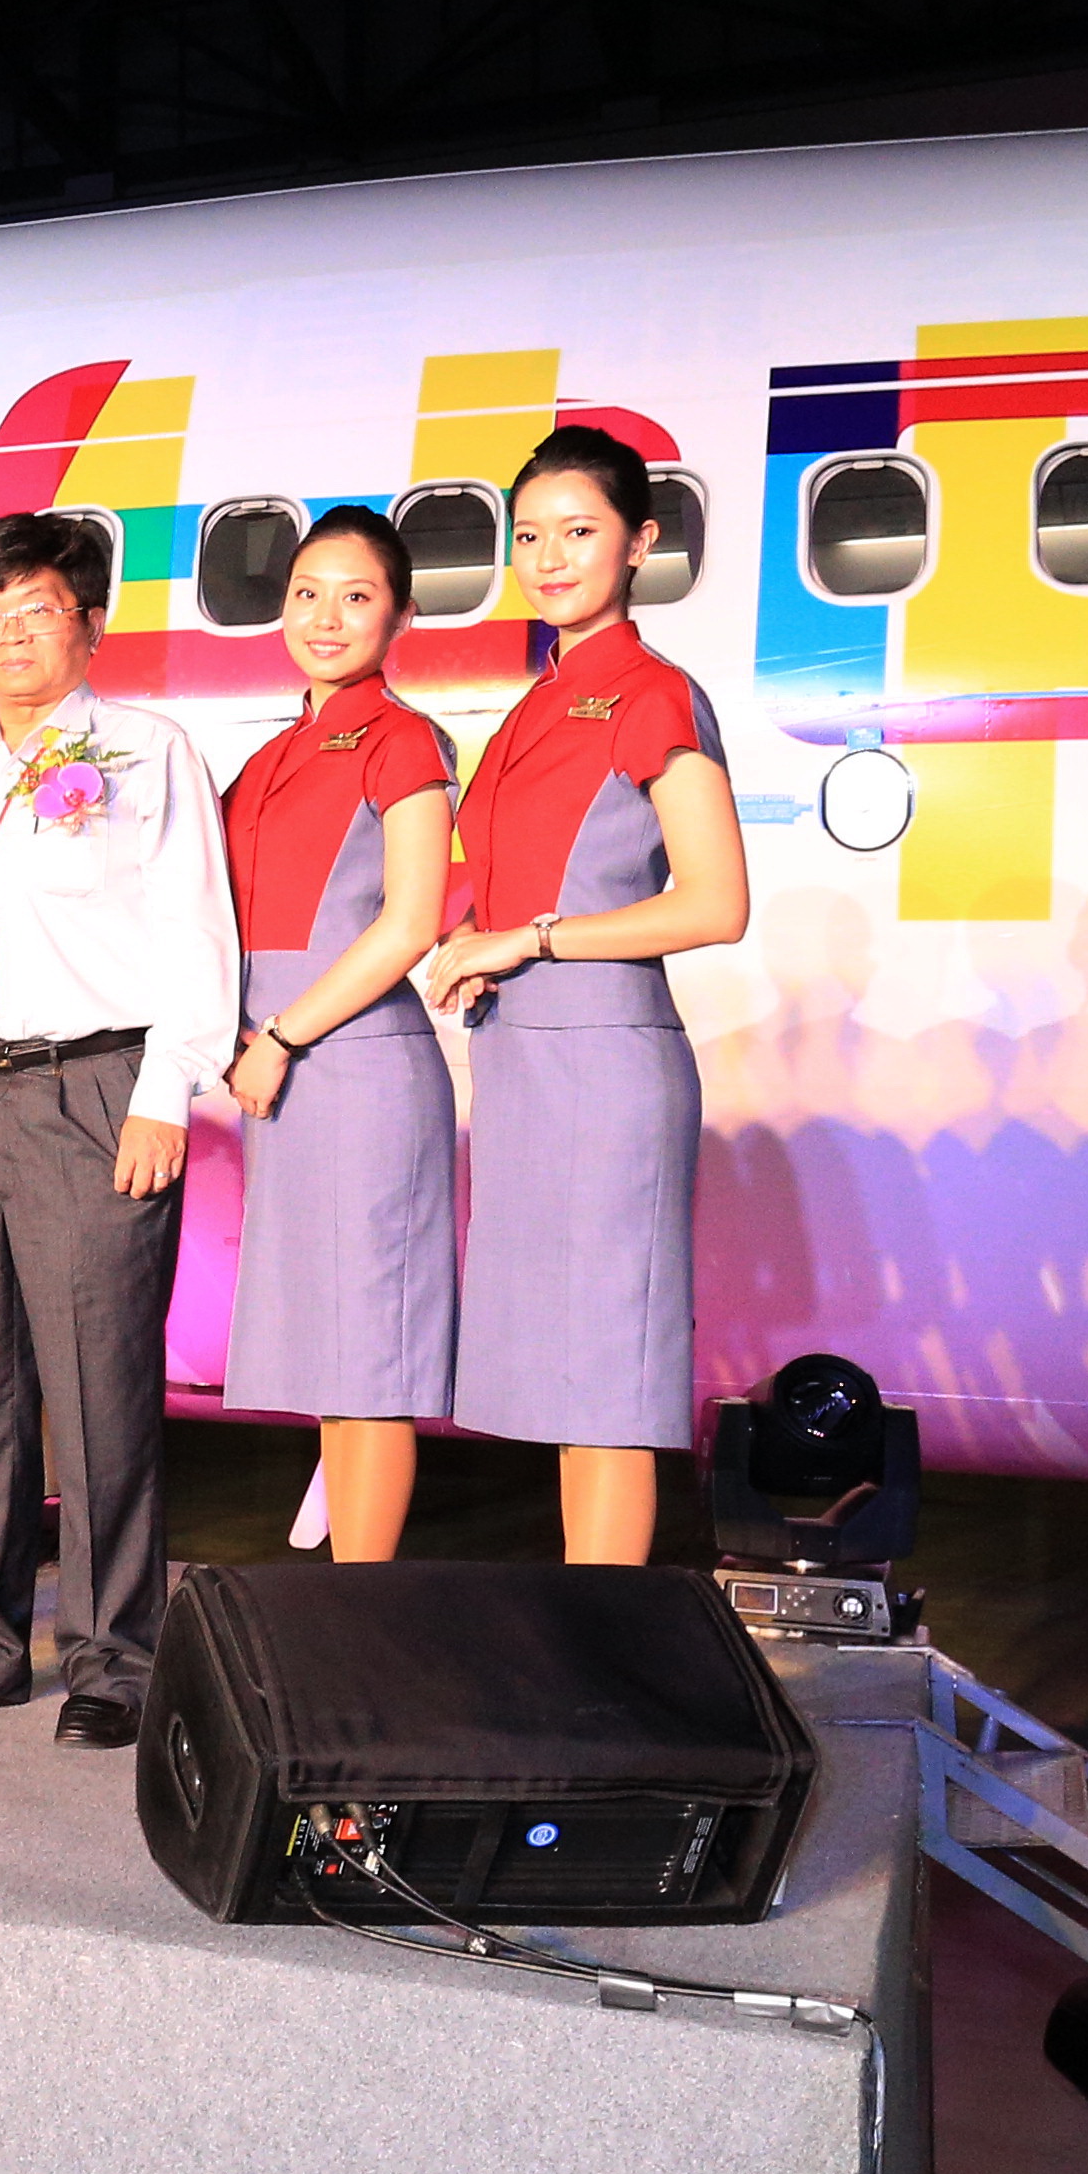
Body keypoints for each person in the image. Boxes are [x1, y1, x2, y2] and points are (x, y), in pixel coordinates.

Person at [0, 513, 239, 1745]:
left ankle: (112, 1658)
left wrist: (165, 1092)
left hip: (94, 1087)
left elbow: (197, 928)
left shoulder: (147, 750)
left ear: (89, 623)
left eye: (33, 611)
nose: (6, 635)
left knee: (97, 1389)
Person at [431, 426, 753, 1564]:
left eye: (579, 532)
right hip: (527, 1061)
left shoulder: (655, 694)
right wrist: (473, 943)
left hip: (605, 1063)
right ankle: (589, 1624)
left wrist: (531, 939)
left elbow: (716, 903)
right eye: (529, 537)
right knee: (570, 1378)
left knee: (608, 1377)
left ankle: (609, 1636)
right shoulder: (535, 705)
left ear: (640, 543)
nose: (550, 558)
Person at [215, 509, 466, 1562]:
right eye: (307, 594)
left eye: (357, 597)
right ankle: (344, 1587)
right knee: (332, 1353)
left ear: (401, 617)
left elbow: (409, 923)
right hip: (281, 1068)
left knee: (371, 1354)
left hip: (356, 1065)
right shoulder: (266, 755)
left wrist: (280, 1035)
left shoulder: (404, 739)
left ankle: (365, 1601)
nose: (327, 617)